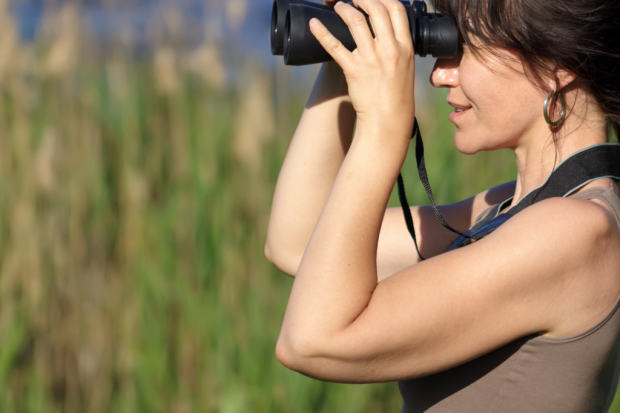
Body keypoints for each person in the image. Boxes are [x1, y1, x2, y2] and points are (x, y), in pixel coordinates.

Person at [264, 0, 620, 410]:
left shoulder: (574, 231)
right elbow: (297, 240)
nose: (438, 75)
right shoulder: (510, 211)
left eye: (464, 47)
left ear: (557, 65)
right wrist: (347, 47)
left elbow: (311, 341)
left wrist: (382, 131)